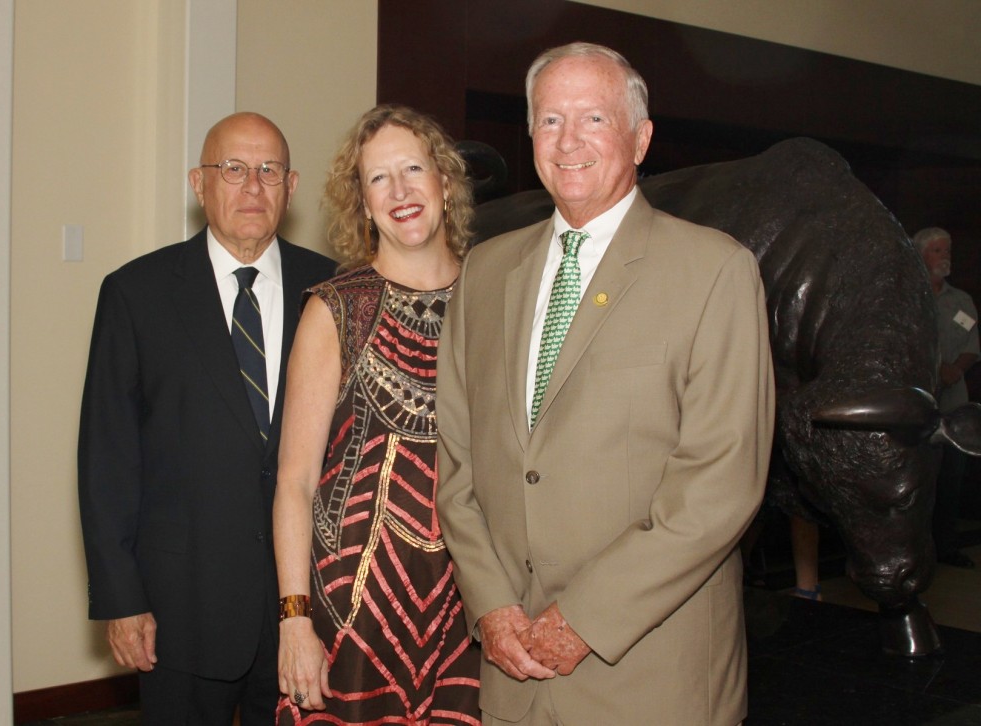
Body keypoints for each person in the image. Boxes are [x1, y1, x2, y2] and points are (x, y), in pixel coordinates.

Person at [436, 42, 774, 725]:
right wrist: (493, 607)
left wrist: (584, 619)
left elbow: (720, 483)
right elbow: (458, 463)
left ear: (641, 137)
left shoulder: (714, 271)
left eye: (593, 118)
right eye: (550, 119)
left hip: (651, 678)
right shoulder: (484, 273)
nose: (568, 141)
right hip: (514, 673)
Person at [78, 112, 337, 724]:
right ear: (199, 184)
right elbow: (107, 458)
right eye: (234, 169)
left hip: (307, 611)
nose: (253, 187)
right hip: (179, 612)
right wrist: (122, 599)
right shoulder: (136, 293)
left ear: (292, 186)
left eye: (269, 170)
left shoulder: (332, 288)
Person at [273, 104, 481, 725]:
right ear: (362, 204)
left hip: (472, 599)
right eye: (378, 178)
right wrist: (295, 620)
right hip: (353, 605)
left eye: (414, 169)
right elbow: (294, 482)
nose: (400, 191)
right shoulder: (336, 309)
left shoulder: (495, 295)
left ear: (445, 182)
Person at [914, 226, 979, 569]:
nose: (945, 256)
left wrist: (957, 368)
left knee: (953, 478)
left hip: (955, 406)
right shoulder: (909, 298)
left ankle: (946, 546)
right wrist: (937, 369)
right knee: (921, 480)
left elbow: (972, 345)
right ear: (921, 255)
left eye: (947, 249)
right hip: (919, 405)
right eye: (938, 250)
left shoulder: (961, 301)